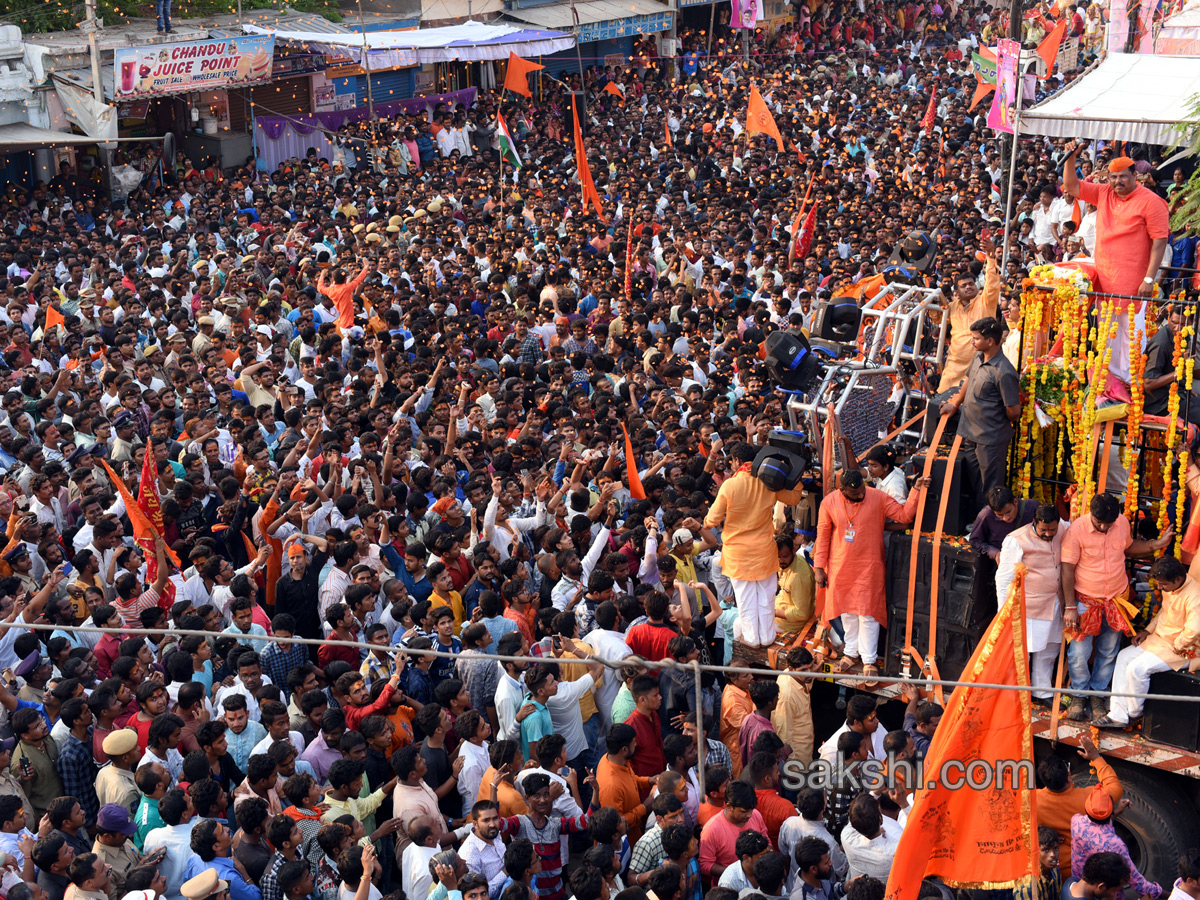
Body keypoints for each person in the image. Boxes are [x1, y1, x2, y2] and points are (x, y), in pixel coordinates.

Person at [1063, 140, 1170, 386]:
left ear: (1136, 176)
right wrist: (1071, 158)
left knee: (1131, 336)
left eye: (1123, 177)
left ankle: (1131, 384)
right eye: (1113, 177)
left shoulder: (1151, 201)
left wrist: (1148, 279)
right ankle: (1111, 385)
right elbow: (1071, 185)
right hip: (1106, 279)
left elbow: (1159, 242)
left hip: (1135, 283)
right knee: (1108, 335)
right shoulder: (1104, 192)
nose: (1117, 182)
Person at [1061, 492, 1173, 720]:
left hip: (1116, 599)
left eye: (1107, 523)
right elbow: (1067, 570)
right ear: (1091, 514)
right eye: (1099, 522)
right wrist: (1070, 607)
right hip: (1085, 602)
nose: (1103, 527)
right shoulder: (1076, 530)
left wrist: (1155, 545)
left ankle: (1098, 694)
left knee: (1109, 650)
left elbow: (1128, 548)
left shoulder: (1121, 523)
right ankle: (1079, 695)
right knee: (1079, 652)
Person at [814, 469, 927, 683]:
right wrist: (819, 568)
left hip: (869, 567)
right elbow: (822, 536)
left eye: (861, 492)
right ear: (842, 490)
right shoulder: (829, 502)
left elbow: (904, 516)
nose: (860, 496)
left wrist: (916, 490)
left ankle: (868, 660)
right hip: (839, 566)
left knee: (868, 613)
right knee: (846, 611)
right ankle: (851, 652)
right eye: (854, 494)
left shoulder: (876, 496)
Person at [703, 442, 806, 651]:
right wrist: (793, 474)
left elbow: (712, 520)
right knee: (767, 598)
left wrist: (704, 523)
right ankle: (767, 638)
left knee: (746, 600)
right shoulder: (768, 482)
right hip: (765, 552)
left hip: (738, 555)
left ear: (737, 461)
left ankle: (752, 639)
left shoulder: (730, 485)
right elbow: (795, 497)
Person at [1097, 555, 1200, 728]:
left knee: (1137, 668)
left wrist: (1177, 645)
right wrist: (1147, 631)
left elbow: (1194, 630)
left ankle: (1133, 713)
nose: (1159, 587)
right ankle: (1117, 714)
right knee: (1124, 656)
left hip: (1183, 649)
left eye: (1163, 584)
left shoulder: (1195, 595)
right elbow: (1164, 613)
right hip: (1160, 640)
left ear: (1178, 579)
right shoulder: (1171, 587)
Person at [939, 317, 1021, 511]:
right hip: (969, 433)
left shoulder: (1004, 371)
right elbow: (969, 379)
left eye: (975, 338)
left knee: (990, 488)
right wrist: (956, 404)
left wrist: (993, 422)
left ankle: (988, 524)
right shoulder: (978, 357)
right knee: (974, 483)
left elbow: (1014, 411)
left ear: (990, 341)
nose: (971, 342)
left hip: (990, 440)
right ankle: (976, 521)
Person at [995, 504, 1068, 702]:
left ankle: (1042, 691)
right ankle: (1018, 694)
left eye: (1052, 529)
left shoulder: (1064, 528)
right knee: (1023, 651)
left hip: (1055, 603)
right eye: (1043, 530)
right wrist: (1003, 613)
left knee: (1049, 650)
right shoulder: (1016, 540)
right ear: (1034, 523)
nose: (1048, 534)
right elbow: (1003, 579)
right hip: (1030, 606)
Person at [1035, 736, 1121, 877]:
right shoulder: (1089, 799)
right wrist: (1095, 756)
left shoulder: (1031, 800)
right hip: (1082, 871)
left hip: (1053, 872)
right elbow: (1115, 786)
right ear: (1069, 777)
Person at [1070, 785, 1160, 898]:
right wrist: (1163, 893)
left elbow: (1097, 830)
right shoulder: (1115, 845)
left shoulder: (1075, 821)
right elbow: (1135, 879)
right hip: (1103, 892)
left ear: (1086, 809)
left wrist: (1116, 812)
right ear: (1110, 812)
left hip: (1081, 887)